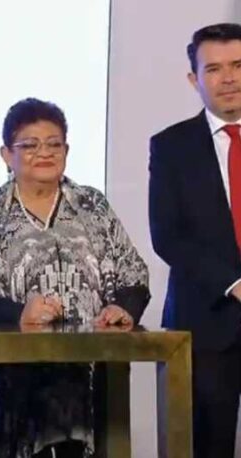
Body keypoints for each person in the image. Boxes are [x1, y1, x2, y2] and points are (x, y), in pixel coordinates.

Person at [0, 98, 150, 458]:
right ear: (6, 154)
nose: (44, 153)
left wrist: (122, 308)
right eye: (30, 145)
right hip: (13, 387)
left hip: (89, 382)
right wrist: (19, 314)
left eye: (54, 144)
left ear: (67, 150)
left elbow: (133, 272)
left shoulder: (92, 206)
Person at [149, 22, 241, 458]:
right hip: (205, 326)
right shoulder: (171, 146)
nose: (229, 78)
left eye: (238, 65)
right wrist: (234, 283)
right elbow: (168, 235)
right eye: (214, 69)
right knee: (206, 448)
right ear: (194, 79)